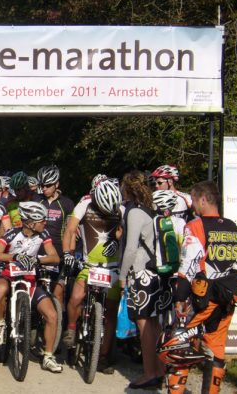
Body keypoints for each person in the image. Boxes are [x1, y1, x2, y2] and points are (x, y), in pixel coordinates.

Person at [160, 180, 237, 393]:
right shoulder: (233, 228)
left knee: (179, 345)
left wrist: (180, 297)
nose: (193, 206)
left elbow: (188, 265)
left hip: (200, 299)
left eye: (195, 200)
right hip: (225, 299)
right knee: (216, 349)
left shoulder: (195, 226)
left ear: (204, 199)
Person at [0, 201, 63, 373]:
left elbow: (55, 257)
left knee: (52, 315)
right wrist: (14, 257)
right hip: (9, 276)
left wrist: (37, 259)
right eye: (42, 221)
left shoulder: (43, 234)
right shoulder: (11, 233)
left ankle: (48, 356)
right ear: (31, 223)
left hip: (30, 281)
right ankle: (0, 323)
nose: (45, 223)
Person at [62, 179, 123, 374]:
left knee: (111, 311)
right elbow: (70, 228)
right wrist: (68, 254)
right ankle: (72, 328)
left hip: (112, 267)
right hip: (89, 265)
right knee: (76, 298)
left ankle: (103, 357)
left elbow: (123, 232)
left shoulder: (120, 208)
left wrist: (118, 242)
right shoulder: (85, 204)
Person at [120, 170, 164, 389]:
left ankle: (149, 373)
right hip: (155, 272)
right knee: (154, 323)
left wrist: (122, 276)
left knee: (143, 323)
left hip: (141, 273)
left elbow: (130, 248)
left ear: (127, 188)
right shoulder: (151, 209)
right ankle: (159, 370)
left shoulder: (135, 212)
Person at [36, 165, 75, 310]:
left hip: (59, 252)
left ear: (57, 184)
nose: (44, 189)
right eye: (42, 185)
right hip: (38, 250)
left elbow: (71, 230)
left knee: (57, 292)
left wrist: (70, 252)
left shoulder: (67, 203)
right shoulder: (36, 200)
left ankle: (59, 320)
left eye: (48, 185)